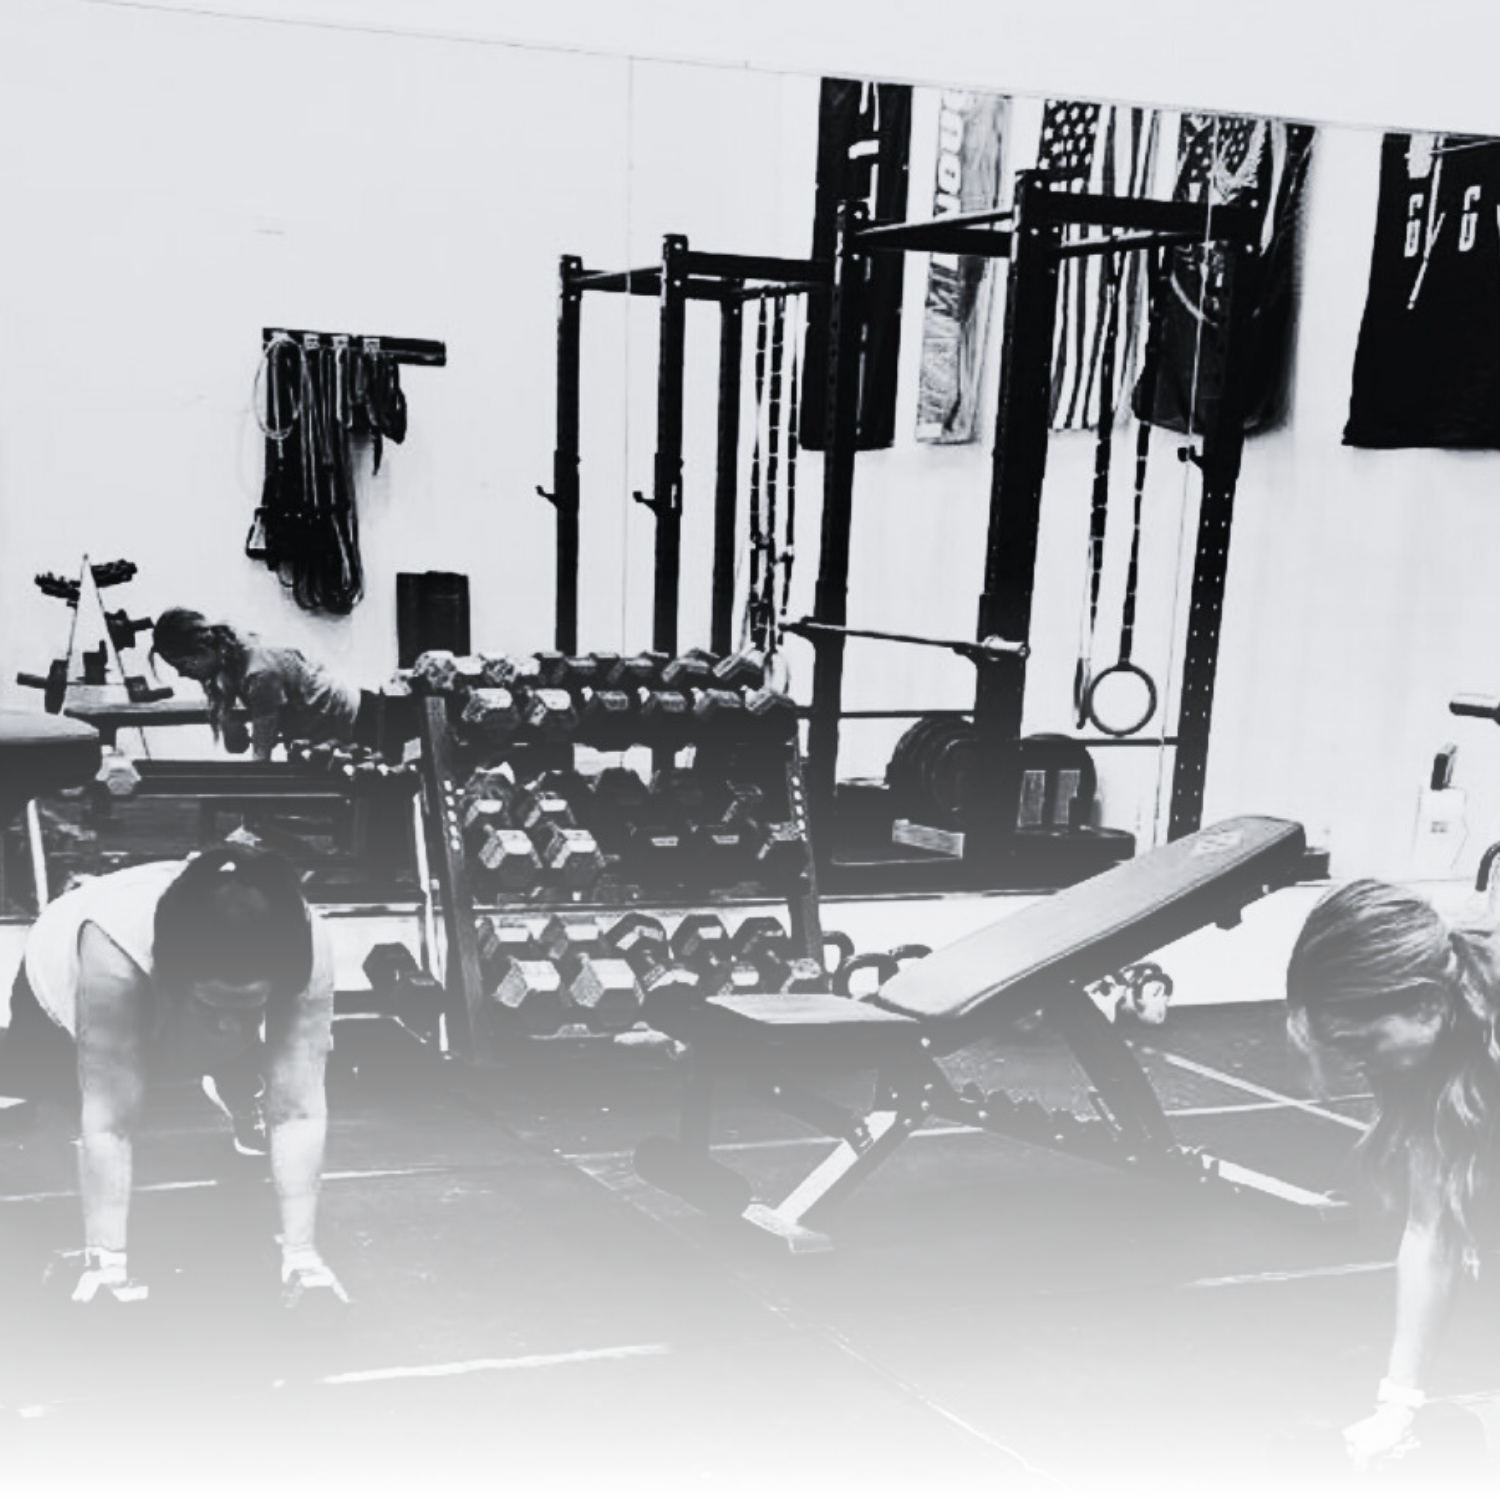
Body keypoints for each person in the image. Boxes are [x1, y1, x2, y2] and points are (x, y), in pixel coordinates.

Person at [0, 846, 348, 1311]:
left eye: (247, 1008)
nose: (228, 1026)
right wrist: (107, 1263)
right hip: (61, 973)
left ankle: (238, 1081)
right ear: (171, 981)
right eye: (212, 1006)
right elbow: (111, 1122)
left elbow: (300, 1109)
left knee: (230, 1038)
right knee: (66, 1100)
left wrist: (303, 1258)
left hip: (179, 1003)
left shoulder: (305, 944)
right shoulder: (113, 956)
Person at [1285, 879, 1500, 1469]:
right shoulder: (1433, 1057)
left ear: (1428, 1004)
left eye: (1365, 1043)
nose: (1361, 1065)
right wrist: (1399, 1404)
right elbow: (1432, 1231)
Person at [151, 607, 361, 760]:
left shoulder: (259, 674)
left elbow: (261, 758)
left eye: (184, 664)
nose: (180, 673)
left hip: (353, 719)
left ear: (202, 650)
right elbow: (236, 745)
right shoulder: (228, 659)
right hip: (315, 723)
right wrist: (226, 714)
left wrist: (249, 822)